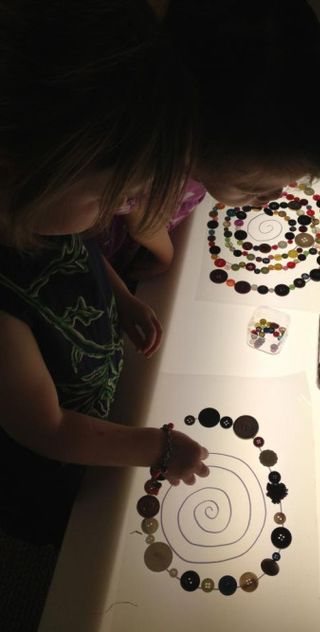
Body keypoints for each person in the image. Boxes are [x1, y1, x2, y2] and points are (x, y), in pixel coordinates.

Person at [0, 0, 210, 552]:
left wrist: (120, 299)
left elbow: (83, 256)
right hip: (47, 464)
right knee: (74, 535)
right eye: (107, 197)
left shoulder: (44, 211)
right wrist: (157, 449)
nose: (119, 210)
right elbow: (48, 429)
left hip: (95, 409)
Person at [103, 0, 320, 350]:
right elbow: (116, 227)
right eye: (254, 189)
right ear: (186, 148)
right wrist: (145, 268)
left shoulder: (288, 110)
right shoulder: (121, 160)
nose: (275, 199)